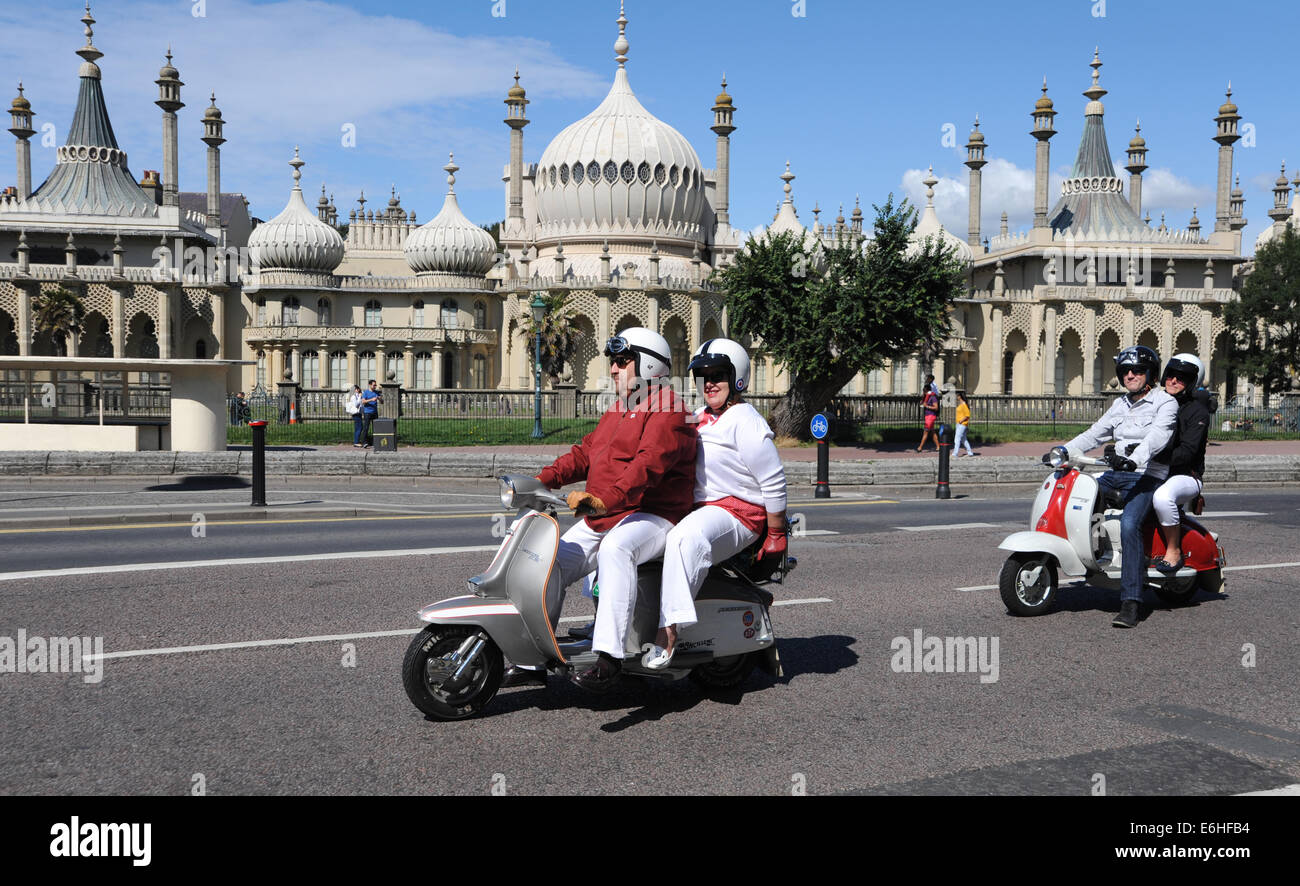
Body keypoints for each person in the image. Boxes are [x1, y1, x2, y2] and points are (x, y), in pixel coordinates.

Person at [533, 327, 696, 692]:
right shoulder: (621, 407)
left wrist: (607, 499)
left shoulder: (670, 409)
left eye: (622, 361)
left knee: (617, 548)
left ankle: (610, 657)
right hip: (607, 512)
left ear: (649, 365)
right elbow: (585, 453)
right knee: (548, 564)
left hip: (653, 514)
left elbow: (648, 465)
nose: (613, 369)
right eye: (613, 362)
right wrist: (540, 480)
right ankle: (534, 658)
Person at [646, 339, 788, 669]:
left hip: (739, 512)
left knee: (686, 538)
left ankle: (668, 631)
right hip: (700, 509)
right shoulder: (699, 417)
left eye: (718, 375)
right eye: (704, 376)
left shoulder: (744, 419)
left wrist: (776, 534)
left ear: (737, 378)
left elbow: (774, 480)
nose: (710, 383)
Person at [1062, 345, 1178, 629]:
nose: (1130, 375)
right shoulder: (1120, 405)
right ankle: (1097, 557)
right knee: (1081, 495)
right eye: (1125, 370)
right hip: (1118, 473)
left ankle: (1131, 602)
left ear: (1149, 373)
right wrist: (1063, 451)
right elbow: (1095, 433)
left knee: (1129, 525)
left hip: (1148, 475)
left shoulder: (1164, 402)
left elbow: (1157, 437)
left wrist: (1133, 459)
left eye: (1137, 370)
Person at [1150, 354, 1211, 573]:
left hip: (1186, 475)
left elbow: (1187, 452)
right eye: (1171, 375)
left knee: (1163, 498)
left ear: (1192, 383)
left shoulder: (1197, 412)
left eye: (1182, 378)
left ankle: (1174, 551)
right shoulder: (1156, 403)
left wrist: (1149, 456)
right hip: (1155, 470)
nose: (1174, 381)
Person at [917, 375, 940, 452]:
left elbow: (936, 407)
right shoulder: (926, 397)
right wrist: (923, 397)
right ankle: (938, 446)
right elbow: (921, 403)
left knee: (926, 432)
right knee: (932, 432)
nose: (923, 392)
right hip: (927, 415)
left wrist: (927, 406)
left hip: (931, 416)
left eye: (924, 391)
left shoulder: (932, 397)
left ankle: (920, 447)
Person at [360, 379, 382, 448]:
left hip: (375, 412)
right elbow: (363, 402)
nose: (375, 386)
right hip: (367, 413)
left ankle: (375, 442)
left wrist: (379, 398)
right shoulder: (366, 392)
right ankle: (364, 442)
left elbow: (382, 402)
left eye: (375, 385)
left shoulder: (376, 392)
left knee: (376, 428)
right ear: (370, 385)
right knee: (366, 428)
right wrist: (371, 400)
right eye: (374, 385)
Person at [953, 391, 975, 457]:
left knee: (957, 438)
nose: (956, 397)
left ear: (960, 397)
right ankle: (970, 452)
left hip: (962, 424)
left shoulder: (964, 405)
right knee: (963, 439)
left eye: (957, 396)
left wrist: (960, 421)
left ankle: (955, 453)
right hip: (959, 424)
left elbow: (967, 415)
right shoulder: (961, 405)